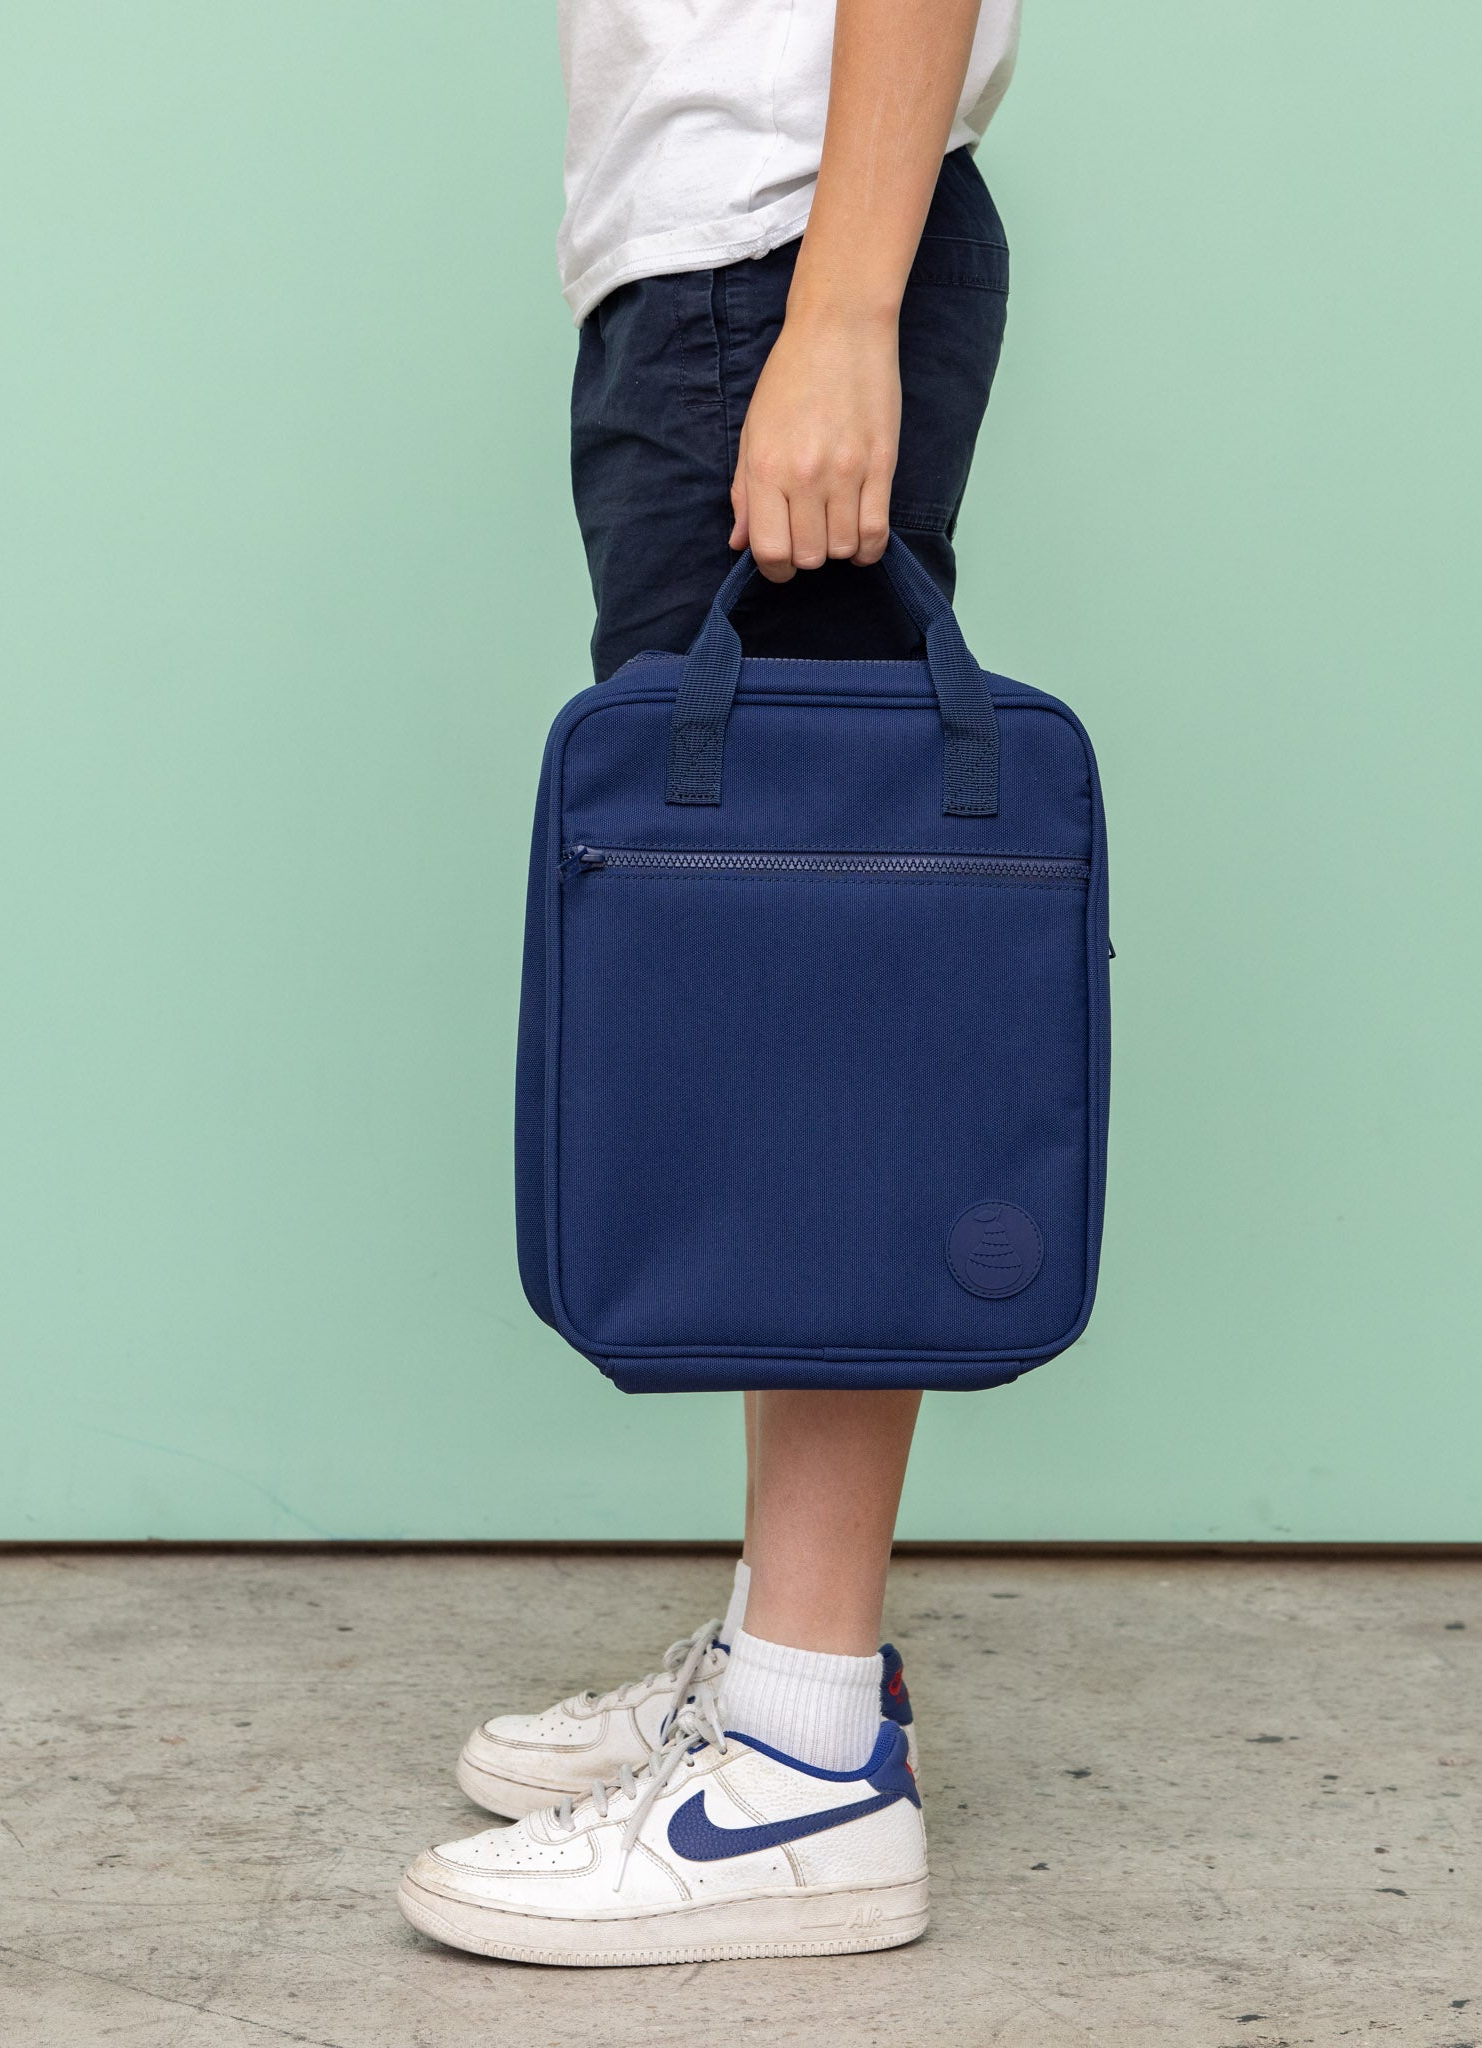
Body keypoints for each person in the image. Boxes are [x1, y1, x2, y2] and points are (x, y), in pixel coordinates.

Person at [398, 0, 1020, 1966]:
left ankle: (803, 1766)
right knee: (771, 1000)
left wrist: (837, 311)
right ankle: (784, 1652)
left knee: (804, 1015)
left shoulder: (794, 269)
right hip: (728, 262)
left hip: (776, 255)